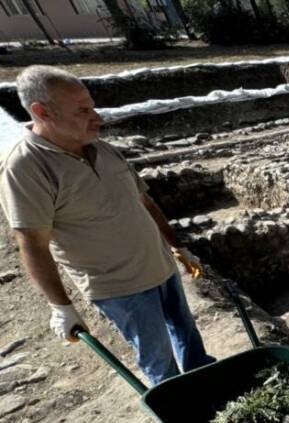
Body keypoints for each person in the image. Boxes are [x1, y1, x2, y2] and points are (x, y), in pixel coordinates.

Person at [0, 65, 214, 385]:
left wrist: (176, 246)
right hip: (121, 288)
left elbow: (144, 202)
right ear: (42, 111)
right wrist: (61, 306)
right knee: (159, 362)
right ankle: (183, 418)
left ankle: (210, 387)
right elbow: (32, 241)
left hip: (161, 267)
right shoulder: (27, 167)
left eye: (93, 106)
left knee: (188, 337)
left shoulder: (102, 148)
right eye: (83, 110)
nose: (96, 117)